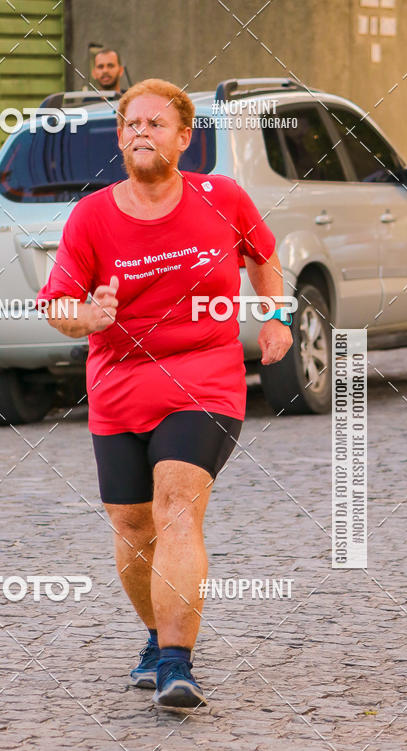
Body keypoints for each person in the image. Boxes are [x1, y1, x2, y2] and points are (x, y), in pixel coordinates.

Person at [38, 79, 292, 708]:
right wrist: (88, 318)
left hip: (203, 375)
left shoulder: (222, 197)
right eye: (130, 124)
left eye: (155, 123)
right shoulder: (92, 214)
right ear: (120, 137)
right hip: (119, 384)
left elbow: (263, 255)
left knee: (178, 504)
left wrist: (275, 315)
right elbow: (57, 306)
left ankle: (178, 665)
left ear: (184, 138)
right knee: (132, 526)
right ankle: (155, 636)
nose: (140, 133)